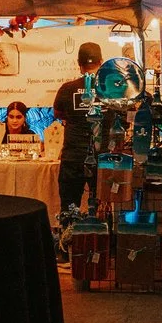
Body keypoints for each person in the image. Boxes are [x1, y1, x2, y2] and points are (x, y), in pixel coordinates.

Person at [54, 41, 102, 211]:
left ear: (79, 65)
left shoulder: (67, 89)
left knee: (70, 206)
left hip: (73, 157)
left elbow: (58, 113)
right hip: (101, 158)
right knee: (101, 206)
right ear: (101, 63)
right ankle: (97, 236)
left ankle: (69, 235)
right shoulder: (111, 89)